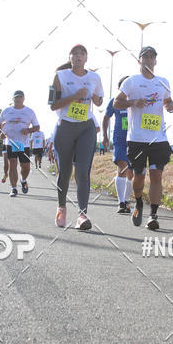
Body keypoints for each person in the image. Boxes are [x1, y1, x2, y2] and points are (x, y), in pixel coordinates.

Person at [114, 46, 173, 230]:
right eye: (145, 57)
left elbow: (167, 101)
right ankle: (139, 202)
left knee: (157, 175)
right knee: (139, 176)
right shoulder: (131, 82)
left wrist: (170, 106)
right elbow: (117, 103)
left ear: (155, 61)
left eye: (152, 57)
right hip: (137, 138)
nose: (149, 59)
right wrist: (133, 102)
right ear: (139, 61)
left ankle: (154, 215)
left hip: (158, 138)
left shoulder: (163, 82)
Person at [50, 44, 104, 230]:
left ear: (86, 58)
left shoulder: (94, 77)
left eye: (82, 53)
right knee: (65, 172)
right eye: (75, 53)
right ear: (70, 57)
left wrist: (96, 99)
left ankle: (82, 214)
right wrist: (74, 96)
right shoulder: (61, 76)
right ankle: (61, 207)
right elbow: (53, 105)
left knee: (82, 171)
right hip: (65, 127)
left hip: (86, 127)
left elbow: (99, 100)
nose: (79, 56)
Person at [0, 91, 40, 197]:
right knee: (12, 164)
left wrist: (29, 130)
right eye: (16, 98)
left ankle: (23, 180)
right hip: (10, 142)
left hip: (23, 144)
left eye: (20, 98)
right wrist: (0, 133)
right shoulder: (6, 111)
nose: (18, 100)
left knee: (26, 167)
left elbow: (37, 127)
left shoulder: (29, 111)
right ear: (13, 99)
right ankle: (14, 188)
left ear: (23, 99)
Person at [103, 75, 133, 214]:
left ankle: (127, 201)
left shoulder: (136, 101)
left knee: (131, 172)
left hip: (134, 139)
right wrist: (104, 136)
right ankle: (121, 202)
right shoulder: (114, 101)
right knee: (122, 167)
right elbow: (106, 117)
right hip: (120, 139)